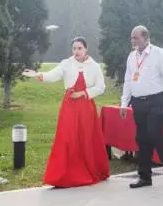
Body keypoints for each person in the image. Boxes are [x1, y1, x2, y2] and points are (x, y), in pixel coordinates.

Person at [22, 37, 109, 188]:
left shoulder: (94, 66)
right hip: (69, 106)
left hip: (86, 107)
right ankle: (64, 175)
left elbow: (101, 87)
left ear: (86, 49)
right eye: (74, 48)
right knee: (67, 137)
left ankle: (89, 170)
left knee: (86, 137)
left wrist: (83, 93)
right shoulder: (67, 63)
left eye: (79, 48)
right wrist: (38, 74)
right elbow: (52, 75)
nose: (76, 51)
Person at [120, 25, 163, 189]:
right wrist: (124, 103)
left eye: (136, 38)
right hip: (138, 102)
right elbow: (128, 81)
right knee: (142, 138)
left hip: (155, 100)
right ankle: (144, 176)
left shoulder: (159, 54)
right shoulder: (132, 57)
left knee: (154, 134)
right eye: (131, 38)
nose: (133, 41)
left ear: (145, 38)